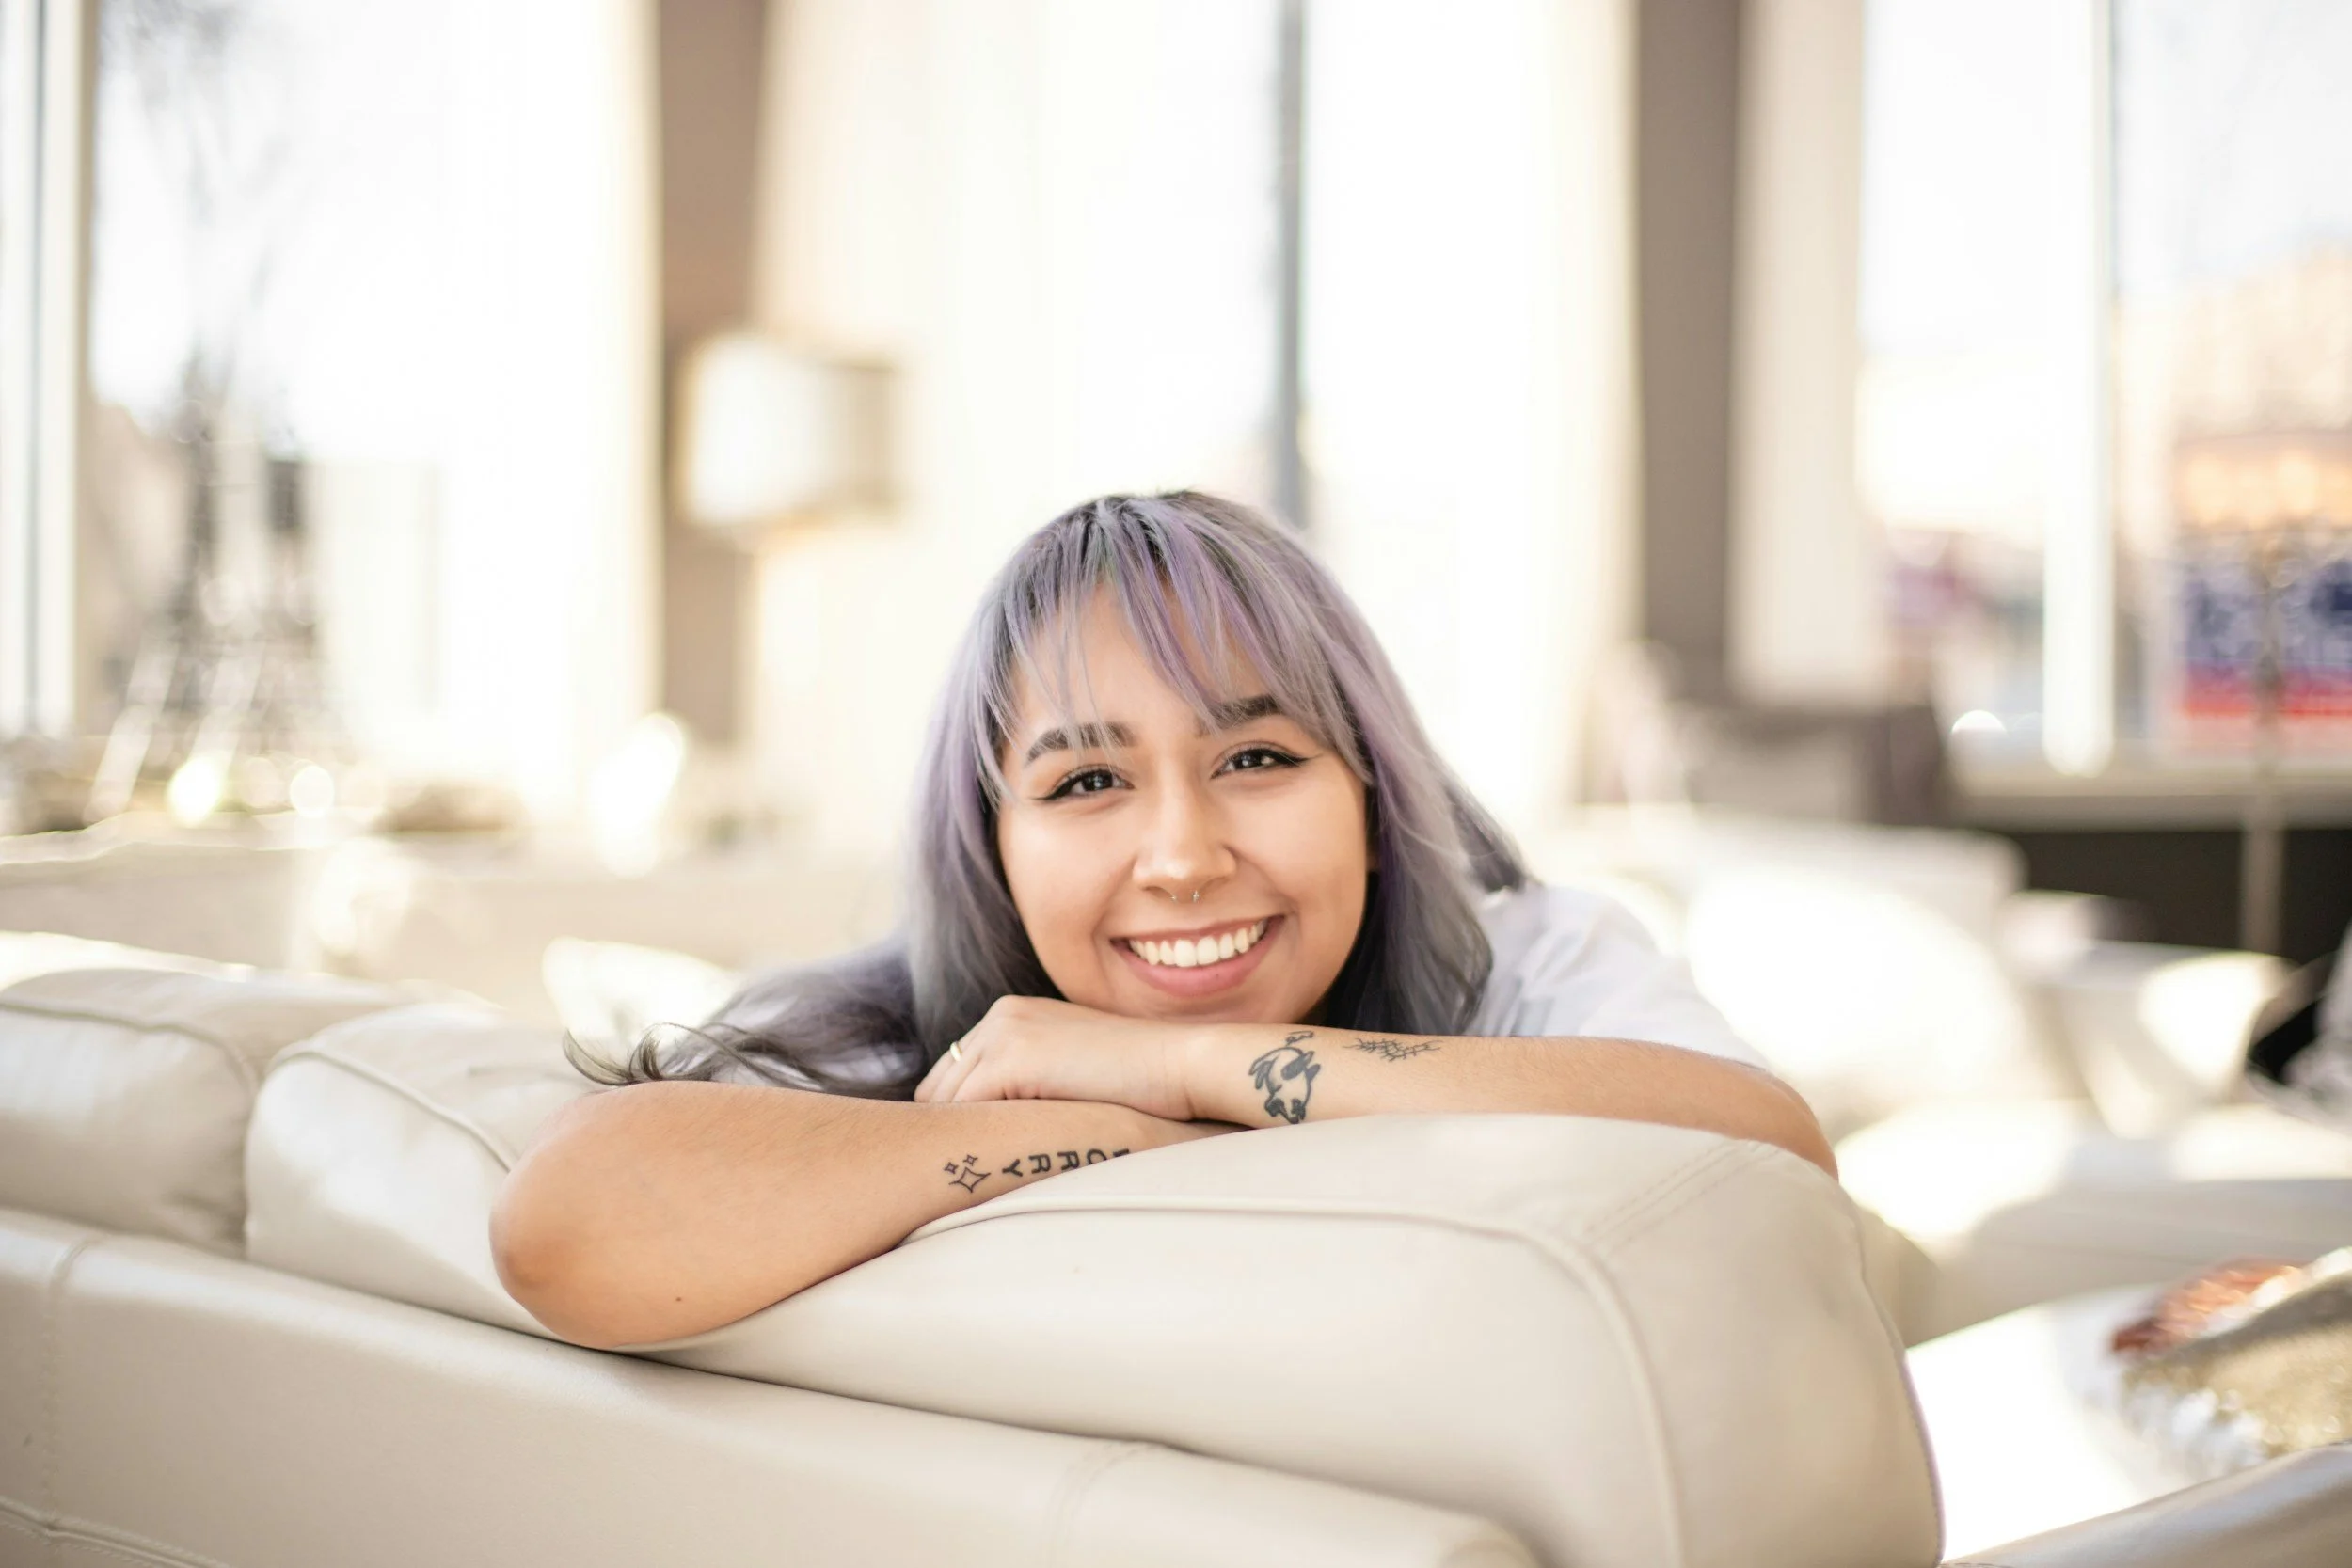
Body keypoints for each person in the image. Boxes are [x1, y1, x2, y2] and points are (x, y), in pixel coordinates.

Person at [492, 492, 1833, 1348]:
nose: (1184, 856)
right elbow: (567, 1222)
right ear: (993, 843)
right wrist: (1111, 1131)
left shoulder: (1531, 958)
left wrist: (1190, 1067)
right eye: (1086, 782)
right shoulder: (905, 1030)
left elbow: (1773, 1148)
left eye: (1257, 758)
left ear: (1368, 791)